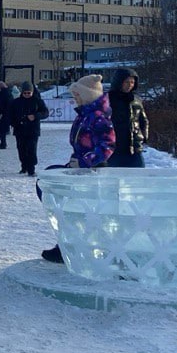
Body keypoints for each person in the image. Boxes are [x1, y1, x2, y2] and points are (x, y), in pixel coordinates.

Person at [41, 74, 116, 263]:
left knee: (81, 210)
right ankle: (67, 244)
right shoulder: (85, 115)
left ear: (87, 95)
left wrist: (85, 162)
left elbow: (108, 145)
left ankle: (83, 247)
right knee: (65, 203)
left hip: (93, 171)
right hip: (80, 168)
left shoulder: (98, 117)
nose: (75, 99)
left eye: (77, 95)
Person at [108, 68, 149, 168]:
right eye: (127, 82)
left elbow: (143, 120)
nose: (130, 85)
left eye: (132, 82)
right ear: (119, 81)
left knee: (138, 176)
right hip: (114, 147)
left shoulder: (136, 100)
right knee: (113, 178)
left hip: (134, 147)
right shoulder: (108, 99)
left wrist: (144, 136)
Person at [9, 81, 49, 176]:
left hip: (33, 130)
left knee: (31, 149)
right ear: (22, 92)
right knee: (21, 149)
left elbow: (45, 113)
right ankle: (24, 166)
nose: (27, 95)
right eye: (25, 93)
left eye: (29, 93)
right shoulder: (16, 102)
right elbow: (10, 115)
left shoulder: (37, 101)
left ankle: (31, 168)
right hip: (19, 130)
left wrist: (36, 116)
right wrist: (14, 123)